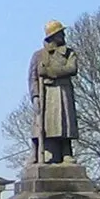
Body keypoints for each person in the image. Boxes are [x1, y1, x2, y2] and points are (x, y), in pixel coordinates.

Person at [30, 20, 79, 165]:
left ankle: (66, 152)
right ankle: (37, 152)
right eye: (60, 33)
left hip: (62, 91)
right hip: (45, 93)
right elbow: (32, 77)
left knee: (65, 124)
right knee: (41, 124)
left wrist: (49, 72)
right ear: (53, 36)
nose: (63, 35)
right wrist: (35, 96)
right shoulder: (38, 55)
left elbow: (72, 69)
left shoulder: (69, 53)